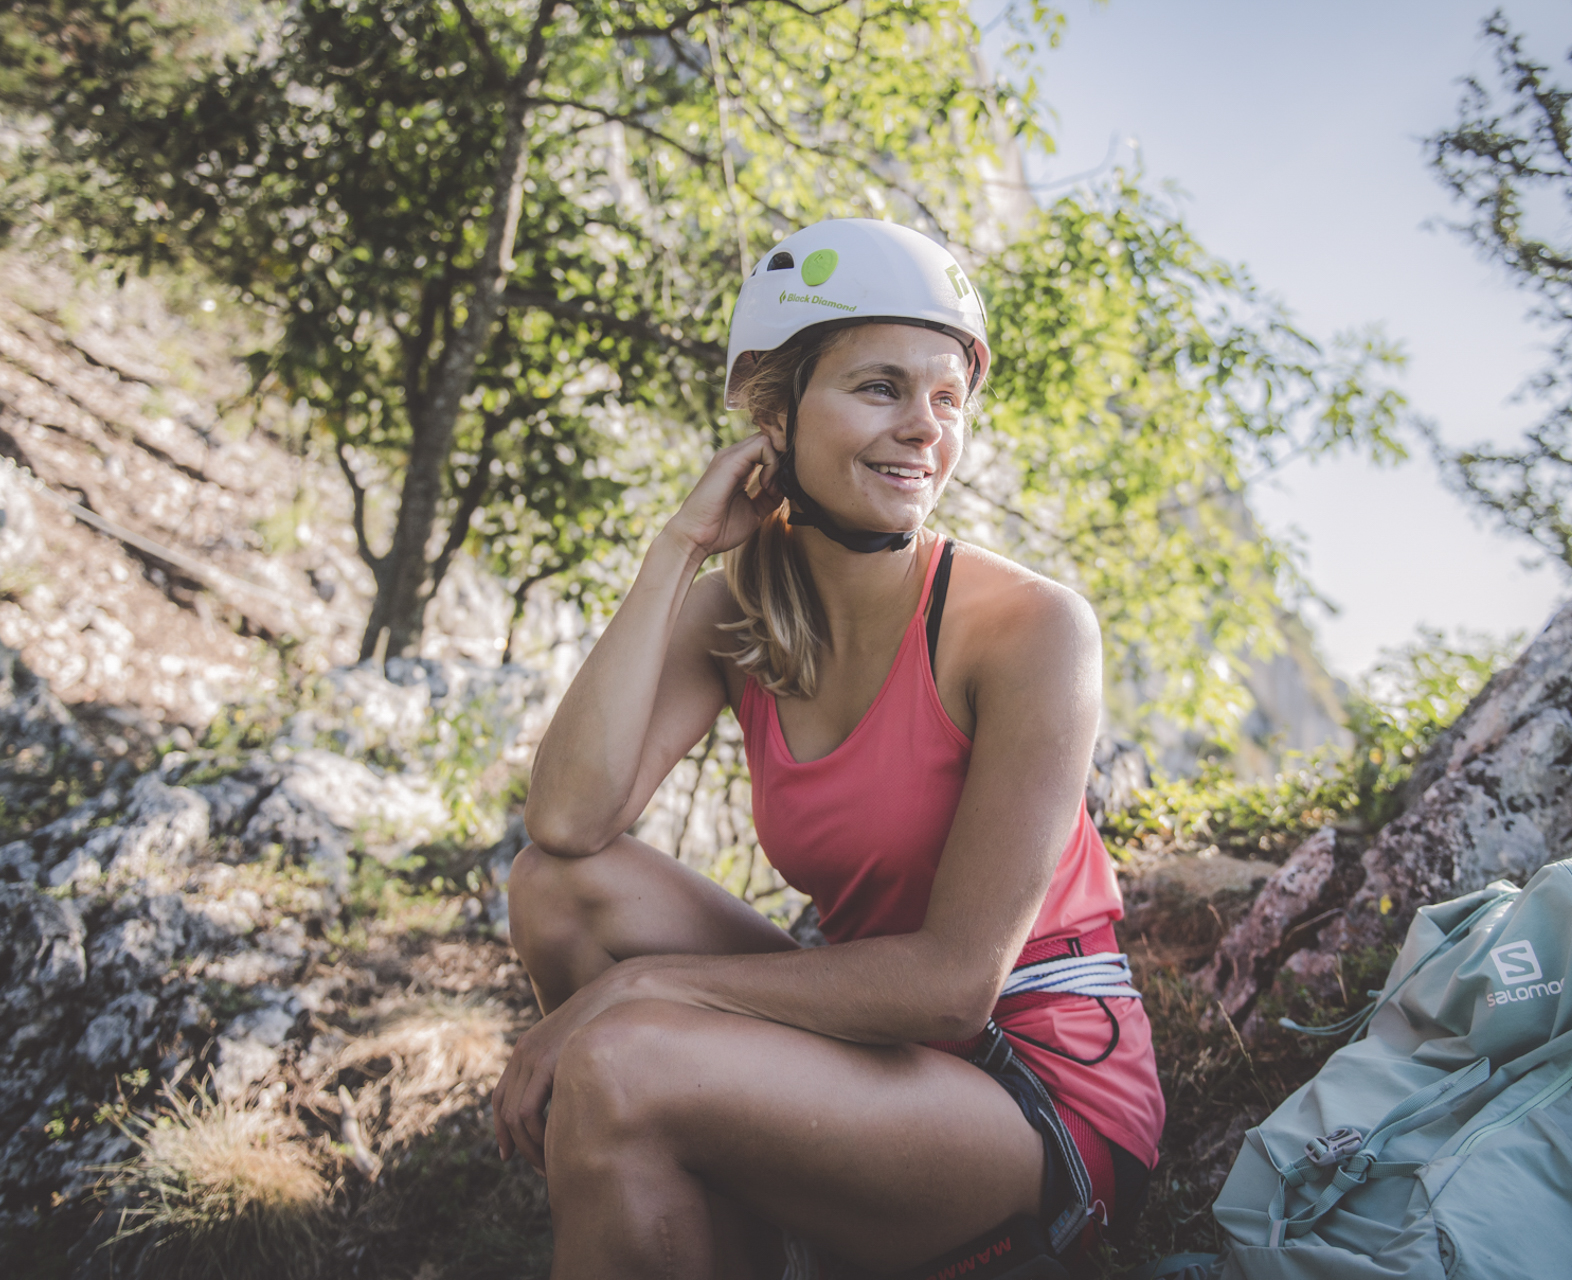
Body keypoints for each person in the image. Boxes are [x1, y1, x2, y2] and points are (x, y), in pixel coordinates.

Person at [490, 219, 1165, 1280]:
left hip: (1032, 1088)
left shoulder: (1030, 629)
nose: (924, 429)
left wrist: (638, 989)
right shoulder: (739, 611)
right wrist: (680, 549)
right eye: (880, 388)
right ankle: (720, 1228)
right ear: (777, 414)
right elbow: (568, 821)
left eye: (948, 398)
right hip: (868, 1048)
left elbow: (954, 987)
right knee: (555, 889)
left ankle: (702, 1184)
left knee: (620, 1058)